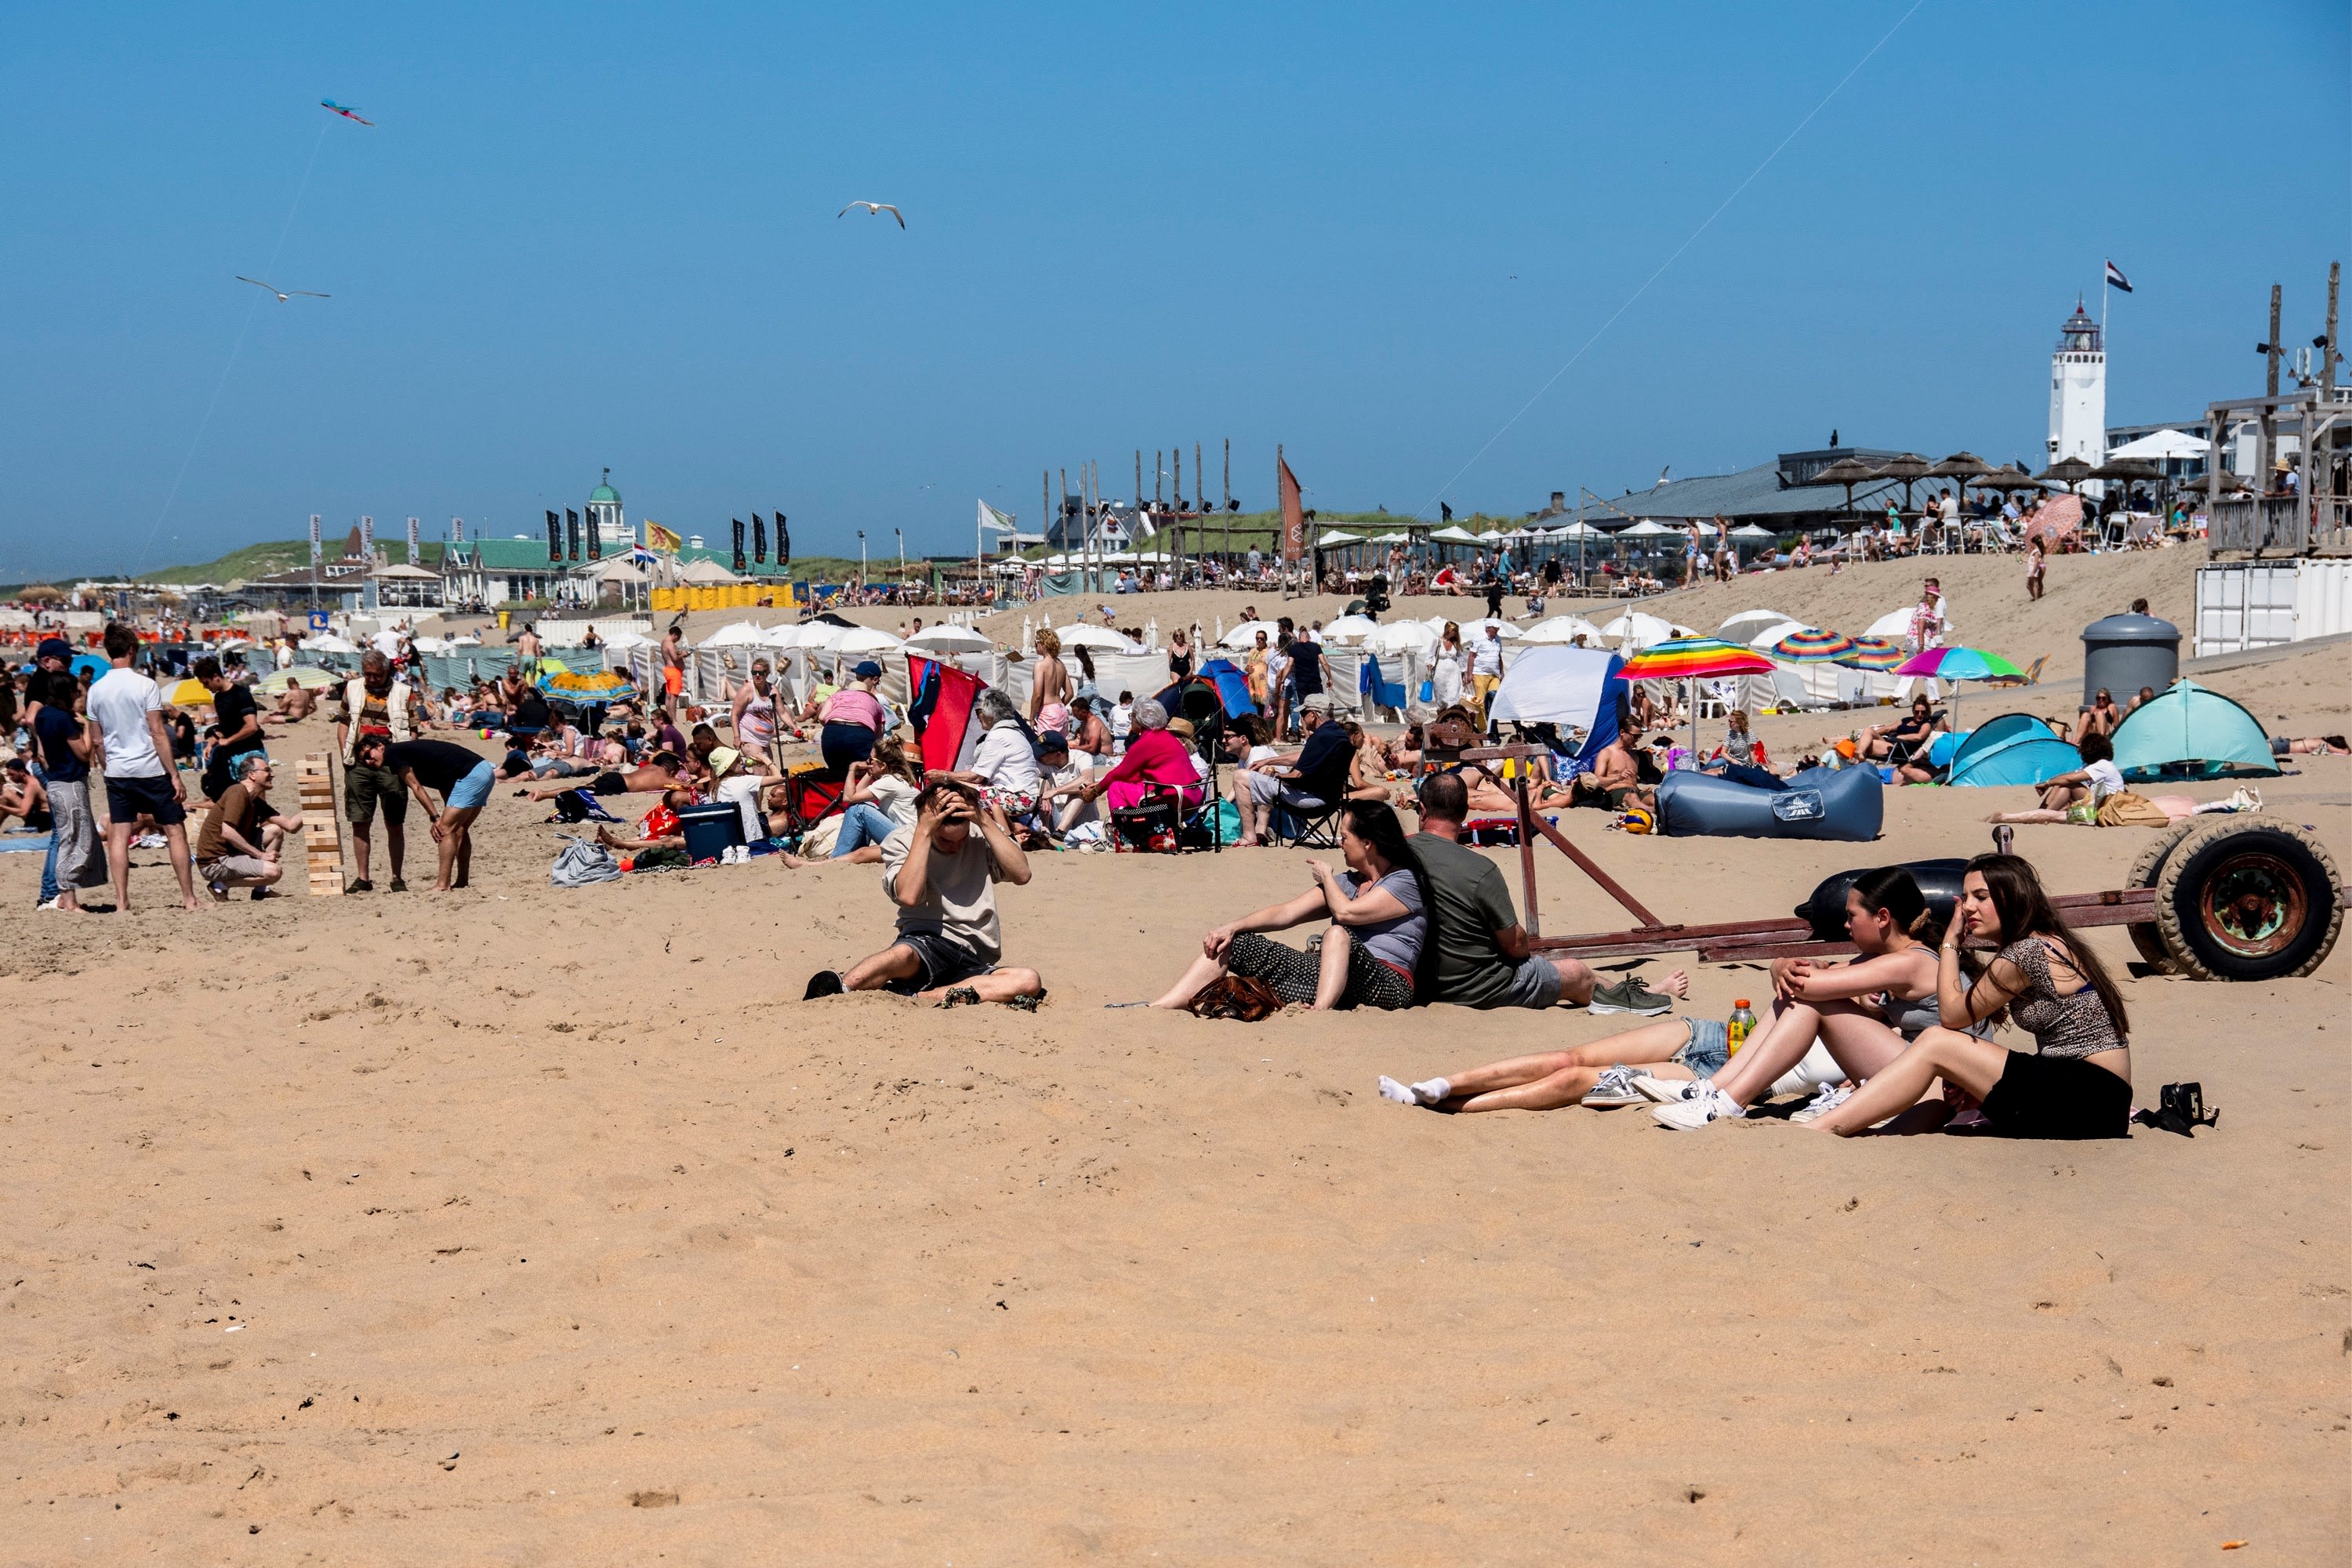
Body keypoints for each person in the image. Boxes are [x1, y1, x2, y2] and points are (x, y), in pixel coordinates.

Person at [1807, 855, 2132, 1139]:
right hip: (2090, 1096)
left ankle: (1827, 1127)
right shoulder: (2044, 942)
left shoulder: (2028, 952)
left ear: (2012, 899)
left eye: (1981, 896)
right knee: (1952, 1060)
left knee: (1937, 1040)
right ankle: (1874, 1132)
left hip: (2094, 1096)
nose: (1968, 907)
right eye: (1965, 897)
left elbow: (1952, 1016)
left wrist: (1950, 943)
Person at [1646, 867, 1959, 1129]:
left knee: (1806, 999)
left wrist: (1787, 973)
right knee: (1797, 994)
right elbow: (1818, 971)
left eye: (1852, 916)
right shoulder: (1888, 957)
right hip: (1918, 1074)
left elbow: (1811, 987)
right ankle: (1715, 1088)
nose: (1846, 925)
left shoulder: (1910, 961)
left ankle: (1728, 1101)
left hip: (1937, 1087)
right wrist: (1781, 966)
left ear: (1882, 917)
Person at [1409, 771, 1681, 1012]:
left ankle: (1645, 989)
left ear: (1422, 809)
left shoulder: (1395, 853)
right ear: (1466, 811)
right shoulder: (1480, 870)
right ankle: (1644, 995)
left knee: (1547, 965)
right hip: (1478, 987)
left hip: (1421, 983)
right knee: (1575, 972)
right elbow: (1515, 946)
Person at [1149, 800, 1432, 1011]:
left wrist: (1325, 877)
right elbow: (1286, 913)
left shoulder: (1404, 881)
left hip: (1387, 983)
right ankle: (1168, 1004)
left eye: (1345, 837)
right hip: (1335, 979)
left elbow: (1348, 914)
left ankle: (1320, 1014)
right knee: (1237, 943)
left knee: (1336, 933)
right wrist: (1233, 927)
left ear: (1368, 843)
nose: (1340, 842)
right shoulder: (1348, 883)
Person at [804, 780, 1042, 1005]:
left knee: (1028, 980)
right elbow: (909, 896)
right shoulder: (903, 840)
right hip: (925, 941)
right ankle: (842, 986)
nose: (956, 846)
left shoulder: (979, 833)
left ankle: (928, 996)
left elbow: (1022, 875)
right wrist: (924, 833)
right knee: (901, 955)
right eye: (946, 840)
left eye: (961, 838)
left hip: (975, 954)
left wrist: (984, 820)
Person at [84, 623, 200, 913]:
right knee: (175, 831)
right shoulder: (145, 685)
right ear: (132, 650)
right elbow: (157, 732)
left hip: (117, 771)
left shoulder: (95, 691)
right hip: (150, 769)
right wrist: (174, 775)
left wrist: (108, 767)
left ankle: (122, 901)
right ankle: (189, 899)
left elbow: (97, 740)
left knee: (119, 835)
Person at [359, 734, 495, 892]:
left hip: (470, 775)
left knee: (444, 830)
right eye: (364, 761)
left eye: (369, 754)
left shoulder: (393, 753)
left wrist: (436, 818)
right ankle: (462, 881)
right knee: (459, 828)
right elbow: (443, 779)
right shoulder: (404, 753)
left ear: (380, 746)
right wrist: (444, 815)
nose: (369, 761)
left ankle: (442, 885)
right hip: (483, 770)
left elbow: (416, 787)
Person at [334, 651, 415, 892]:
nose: (371, 679)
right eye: (367, 674)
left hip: (391, 764)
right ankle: (363, 878)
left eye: (376, 675)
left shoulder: (404, 693)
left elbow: (413, 729)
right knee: (359, 820)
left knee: (394, 822)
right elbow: (343, 722)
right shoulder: (352, 688)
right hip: (358, 764)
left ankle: (396, 877)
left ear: (386, 671)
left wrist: (404, 759)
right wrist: (344, 754)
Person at [1058, 697, 1205, 818]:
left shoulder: (1147, 741)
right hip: (1192, 796)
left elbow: (1121, 773)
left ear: (1140, 720)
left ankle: (1124, 832)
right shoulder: (1167, 737)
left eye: (1132, 716)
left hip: (1174, 800)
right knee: (1124, 785)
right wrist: (1100, 784)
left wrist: (1097, 791)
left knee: (1116, 788)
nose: (1131, 720)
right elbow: (1135, 774)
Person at [1233, 696, 1352, 846]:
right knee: (1263, 772)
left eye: (1303, 714)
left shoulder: (1320, 737)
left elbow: (1296, 776)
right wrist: (1269, 761)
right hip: (1331, 800)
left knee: (1241, 777)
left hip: (1309, 800)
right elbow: (1303, 757)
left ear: (1313, 715)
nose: (1301, 719)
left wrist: (1275, 775)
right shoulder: (1337, 735)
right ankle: (1260, 830)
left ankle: (1249, 836)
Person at [31, 671, 103, 913]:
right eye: (75, 691)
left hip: (55, 782)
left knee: (68, 837)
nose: (78, 695)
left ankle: (66, 897)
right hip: (71, 783)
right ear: (68, 692)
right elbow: (83, 753)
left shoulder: (43, 715)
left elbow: (42, 754)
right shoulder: (65, 719)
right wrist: (85, 727)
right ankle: (68, 899)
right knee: (75, 840)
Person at [194, 753, 287, 900]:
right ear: (252, 775)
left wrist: (314, 803)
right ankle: (219, 885)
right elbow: (228, 832)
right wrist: (261, 855)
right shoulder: (237, 792)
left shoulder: (254, 800)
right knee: (274, 872)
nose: (272, 774)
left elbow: (290, 825)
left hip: (231, 853)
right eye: (267, 770)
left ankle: (261, 891)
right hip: (215, 862)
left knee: (275, 831)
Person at [830, 733, 927, 861]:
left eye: (871, 760)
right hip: (910, 838)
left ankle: (837, 857)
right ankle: (848, 854)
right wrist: (871, 772)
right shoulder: (896, 779)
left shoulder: (890, 781)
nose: (868, 763)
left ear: (883, 766)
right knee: (861, 807)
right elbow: (857, 796)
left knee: (860, 810)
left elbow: (848, 797)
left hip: (906, 841)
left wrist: (852, 768)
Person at [195, 655, 264, 801]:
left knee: (257, 800)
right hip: (233, 755)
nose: (205, 687)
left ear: (216, 677)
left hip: (250, 752)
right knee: (239, 800)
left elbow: (252, 726)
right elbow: (224, 727)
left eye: (206, 682)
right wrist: (211, 743)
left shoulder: (241, 694)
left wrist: (229, 740)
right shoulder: (219, 698)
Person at [818, 661, 887, 775]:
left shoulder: (836, 696)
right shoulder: (875, 702)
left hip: (832, 730)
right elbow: (879, 736)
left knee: (835, 773)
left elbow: (821, 717)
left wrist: (837, 727)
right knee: (861, 772)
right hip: (860, 732)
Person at [1028, 629, 1072, 721]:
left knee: (1046, 736)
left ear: (1043, 644)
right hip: (1061, 710)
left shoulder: (1040, 665)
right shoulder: (1061, 665)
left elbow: (1038, 694)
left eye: (1036, 642)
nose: (1035, 646)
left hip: (1048, 712)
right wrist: (1059, 706)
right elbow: (1070, 693)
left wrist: (1031, 717)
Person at [1468, 624, 1504, 729]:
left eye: (1498, 628)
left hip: (1494, 674)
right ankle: (1483, 728)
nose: (1497, 630)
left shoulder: (1498, 639)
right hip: (1480, 673)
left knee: (1494, 700)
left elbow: (1499, 657)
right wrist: (1470, 674)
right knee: (1481, 702)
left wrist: (1502, 672)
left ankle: (1493, 727)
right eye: (1495, 628)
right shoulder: (1479, 639)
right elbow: (1472, 656)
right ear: (1488, 628)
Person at [659, 622, 688, 718]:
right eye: (678, 637)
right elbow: (675, 658)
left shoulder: (663, 642)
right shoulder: (670, 644)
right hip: (674, 671)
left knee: (668, 695)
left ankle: (669, 717)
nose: (678, 640)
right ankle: (673, 718)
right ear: (674, 635)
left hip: (668, 669)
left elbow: (671, 656)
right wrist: (683, 655)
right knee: (674, 696)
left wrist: (678, 652)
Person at [2024, 538, 2046, 603]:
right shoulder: (2036, 551)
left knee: (2037, 582)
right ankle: (2037, 596)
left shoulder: (2036, 551)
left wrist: (2033, 571)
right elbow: (2033, 561)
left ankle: (2037, 597)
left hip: (2039, 566)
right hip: (2036, 567)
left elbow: (2036, 562)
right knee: (2034, 583)